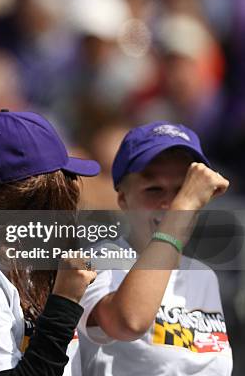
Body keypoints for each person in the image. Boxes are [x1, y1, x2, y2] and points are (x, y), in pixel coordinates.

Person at [76, 121, 233, 375]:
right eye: (154, 189)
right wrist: (182, 210)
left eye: (183, 189)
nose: (171, 203)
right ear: (123, 199)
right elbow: (129, 322)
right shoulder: (96, 261)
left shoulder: (204, 277)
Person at [0, 110, 99, 375]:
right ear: (37, 195)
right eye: (65, 179)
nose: (73, 189)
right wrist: (64, 303)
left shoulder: (39, 255)